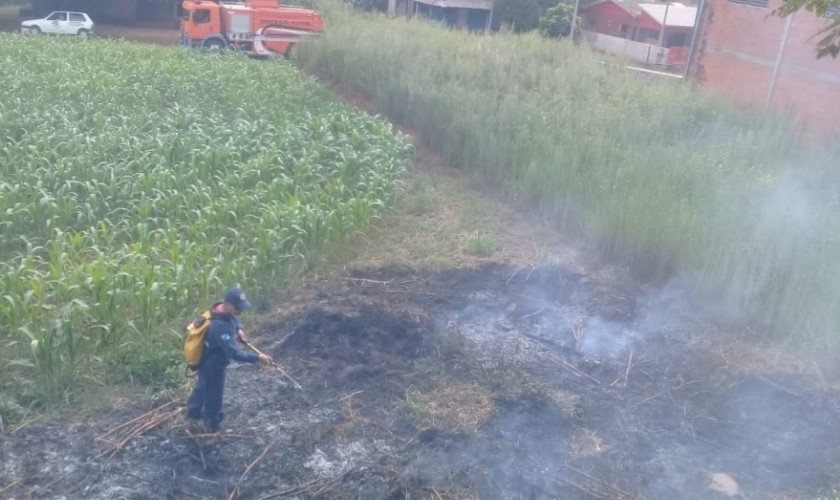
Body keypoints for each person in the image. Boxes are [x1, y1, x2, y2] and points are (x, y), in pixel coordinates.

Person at [186, 286, 273, 432]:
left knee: (203, 383)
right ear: (227, 304)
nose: (240, 312)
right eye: (238, 309)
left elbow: (234, 318)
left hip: (205, 358)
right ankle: (213, 426)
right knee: (214, 396)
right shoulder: (220, 327)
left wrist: (238, 329)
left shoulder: (219, 308)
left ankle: (193, 411)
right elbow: (235, 353)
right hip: (213, 364)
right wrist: (257, 357)